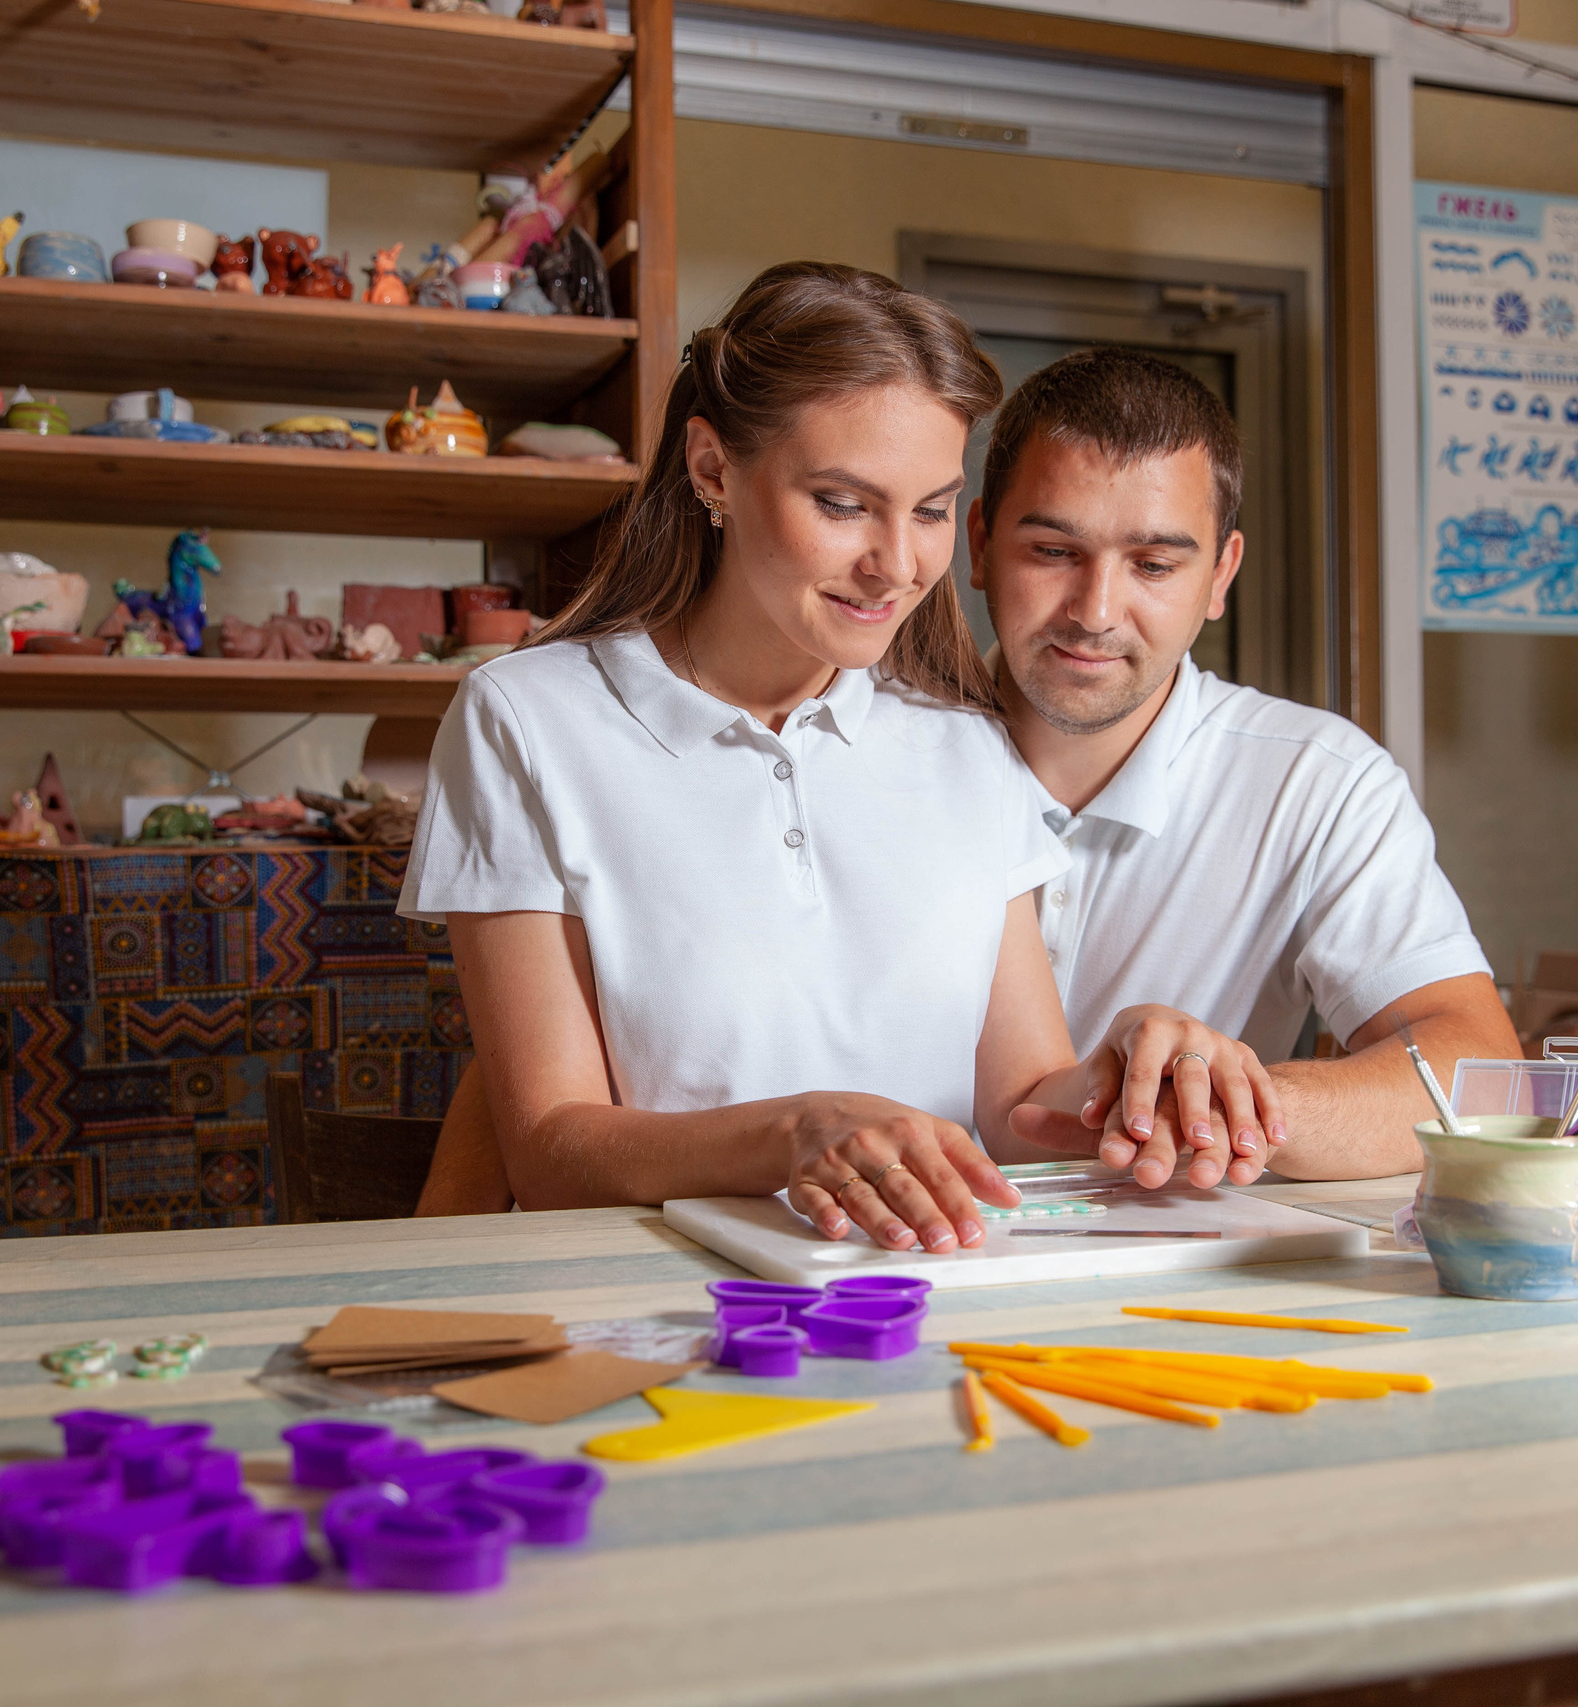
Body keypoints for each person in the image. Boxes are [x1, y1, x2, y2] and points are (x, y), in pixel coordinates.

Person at [399, 264, 1276, 1251]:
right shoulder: (528, 719)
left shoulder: (964, 743)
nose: (897, 564)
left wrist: (1137, 1073)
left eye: (932, 511)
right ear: (711, 470)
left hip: (934, 1294)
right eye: (843, 503)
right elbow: (552, 1155)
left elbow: (1022, 1107)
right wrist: (794, 1132)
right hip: (671, 1302)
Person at [971, 346, 1518, 1184]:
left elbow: (1478, 1071)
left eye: (1154, 564)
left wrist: (1222, 1100)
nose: (1097, 611)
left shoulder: (1318, 782)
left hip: (1172, 1273)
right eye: (1053, 552)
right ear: (979, 543)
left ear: (1220, 574)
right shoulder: (868, 751)